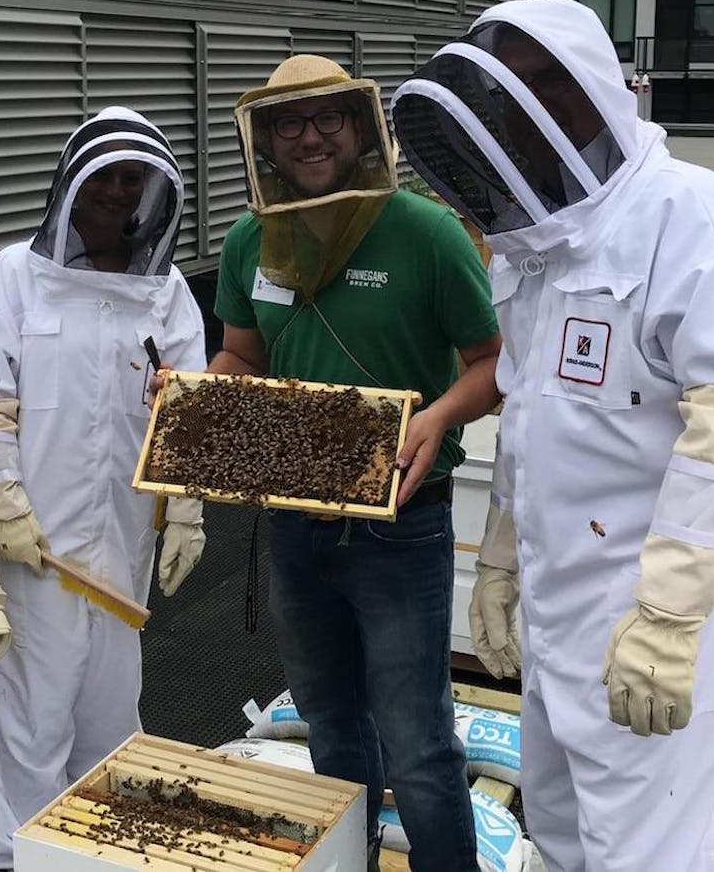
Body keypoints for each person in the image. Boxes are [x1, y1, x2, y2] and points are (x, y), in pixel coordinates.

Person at [391, 0, 714, 872]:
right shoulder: (533, 253)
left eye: (536, 93)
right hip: (562, 610)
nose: (514, 125)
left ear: (585, 95)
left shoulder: (686, 214)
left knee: (666, 849)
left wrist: (667, 616)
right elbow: (534, 419)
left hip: (659, 618)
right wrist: (502, 561)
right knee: (562, 836)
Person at [211, 55, 503, 871]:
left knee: (416, 741)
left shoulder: (426, 233)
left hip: (402, 528)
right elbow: (242, 355)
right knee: (331, 724)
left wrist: (439, 412)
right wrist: (196, 398)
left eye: (327, 119)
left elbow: (492, 361)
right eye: (289, 123)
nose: (310, 137)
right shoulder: (248, 241)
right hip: (295, 526)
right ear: (263, 139)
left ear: (361, 127)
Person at [0, 107, 208, 872]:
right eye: (103, 176)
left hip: (122, 550)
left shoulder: (165, 296)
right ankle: (7, 859)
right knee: (33, 720)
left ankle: (87, 856)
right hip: (35, 550)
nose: (116, 192)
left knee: (109, 718)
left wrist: (187, 509)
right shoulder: (13, 279)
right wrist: (4, 500)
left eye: (133, 180)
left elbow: (188, 412)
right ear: (71, 184)